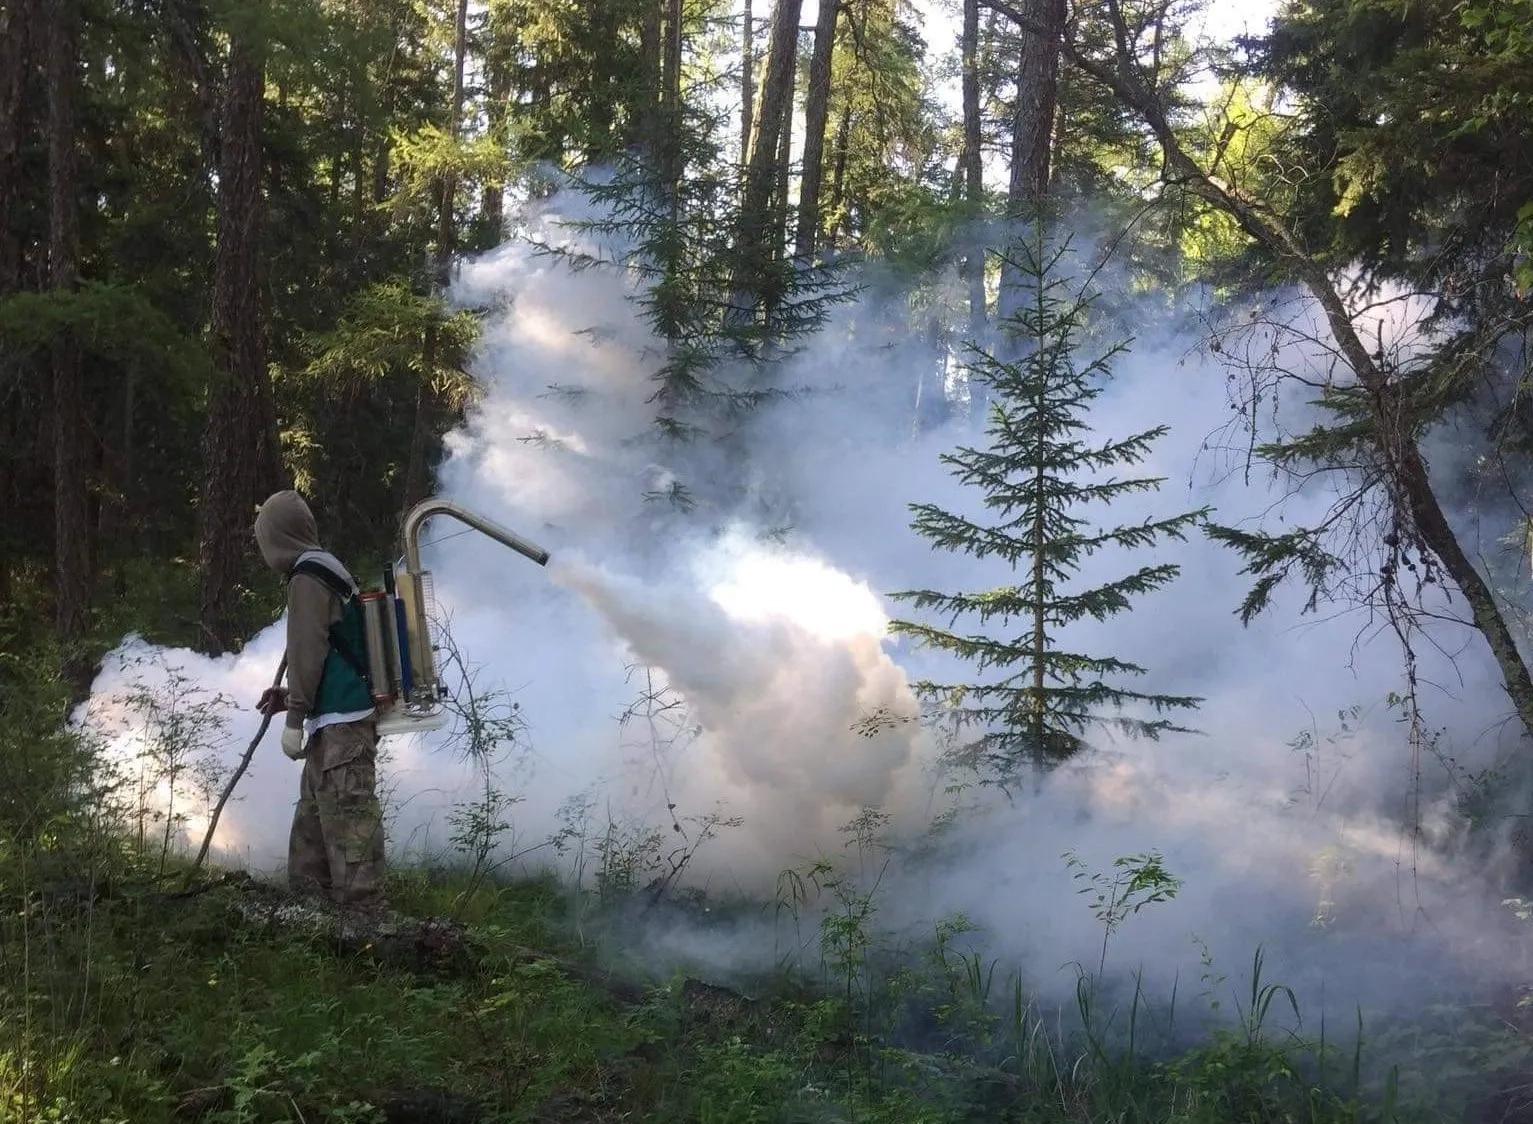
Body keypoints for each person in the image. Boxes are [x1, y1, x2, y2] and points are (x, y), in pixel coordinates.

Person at [252, 490, 386, 912]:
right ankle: (312, 927)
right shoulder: (318, 568)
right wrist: (293, 698)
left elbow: (308, 648)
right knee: (311, 841)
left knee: (351, 841)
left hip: (342, 728)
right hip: (333, 724)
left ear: (276, 535)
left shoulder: (308, 576)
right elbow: (331, 652)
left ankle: (368, 938)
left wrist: (294, 716)